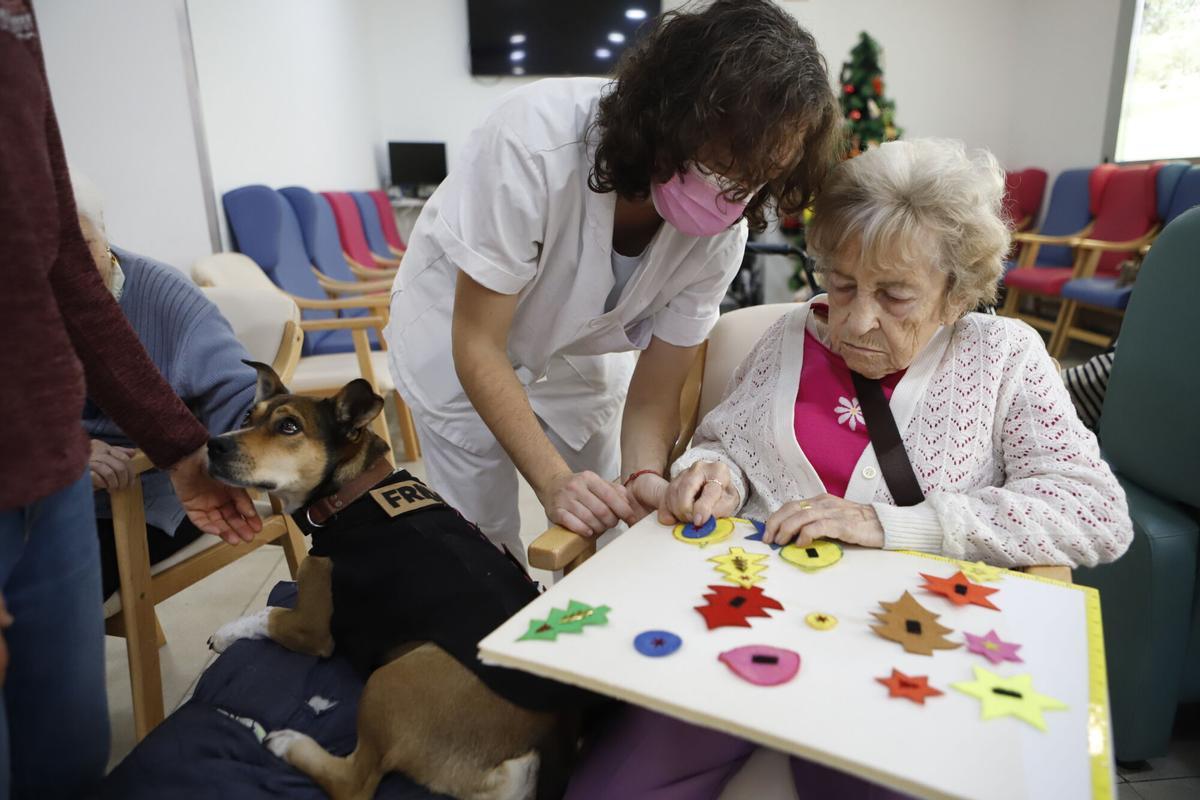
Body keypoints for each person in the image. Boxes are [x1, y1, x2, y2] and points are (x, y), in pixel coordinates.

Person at [567, 139, 1134, 799]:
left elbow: (1093, 513)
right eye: (842, 284)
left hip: (902, 647)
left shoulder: (1005, 357)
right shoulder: (789, 338)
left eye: (895, 295)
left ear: (957, 293)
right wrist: (712, 472)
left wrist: (892, 526)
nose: (856, 320)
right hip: (747, 620)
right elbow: (727, 442)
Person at [384, 0, 840, 562]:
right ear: (672, 118)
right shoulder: (532, 139)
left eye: (756, 179)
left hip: (577, 346)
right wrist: (551, 482)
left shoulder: (724, 233)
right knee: (481, 536)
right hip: (456, 332)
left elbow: (654, 392)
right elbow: (478, 345)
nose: (731, 196)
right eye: (722, 166)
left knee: (608, 502)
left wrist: (645, 472)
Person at [0, 7, 260, 798]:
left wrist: (181, 450)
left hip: (54, 484)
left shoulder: (17, 21)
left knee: (70, 753)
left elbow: (62, 271)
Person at [72, 173, 259, 601]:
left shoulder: (165, 296)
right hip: (39, 492)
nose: (67, 269)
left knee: (35, 601)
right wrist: (70, 444)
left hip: (146, 495)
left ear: (104, 232)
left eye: (79, 246)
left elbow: (237, 394)